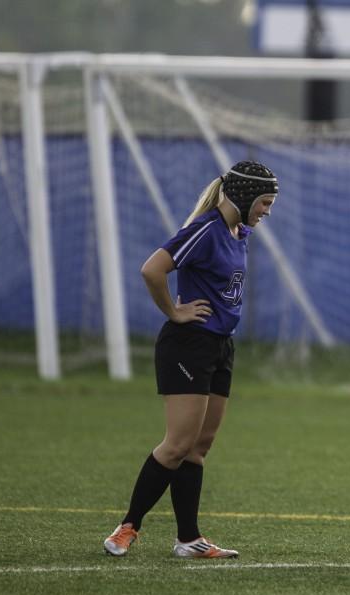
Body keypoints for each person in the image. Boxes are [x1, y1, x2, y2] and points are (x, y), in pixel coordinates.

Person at [103, 160, 279, 559]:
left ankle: (188, 539)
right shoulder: (206, 229)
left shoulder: (241, 232)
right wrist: (174, 311)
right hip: (188, 345)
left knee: (199, 446)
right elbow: (153, 270)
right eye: (265, 202)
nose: (268, 210)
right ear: (246, 195)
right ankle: (127, 527)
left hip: (220, 346)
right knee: (176, 444)